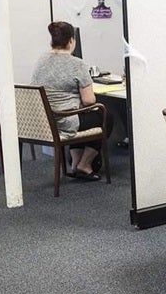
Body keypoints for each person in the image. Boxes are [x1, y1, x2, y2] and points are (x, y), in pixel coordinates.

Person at [31, 21, 113, 181]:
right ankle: (84, 164)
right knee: (105, 116)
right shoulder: (77, 64)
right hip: (66, 121)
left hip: (46, 120)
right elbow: (89, 100)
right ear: (71, 41)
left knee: (84, 117)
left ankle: (76, 164)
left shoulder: (40, 61)